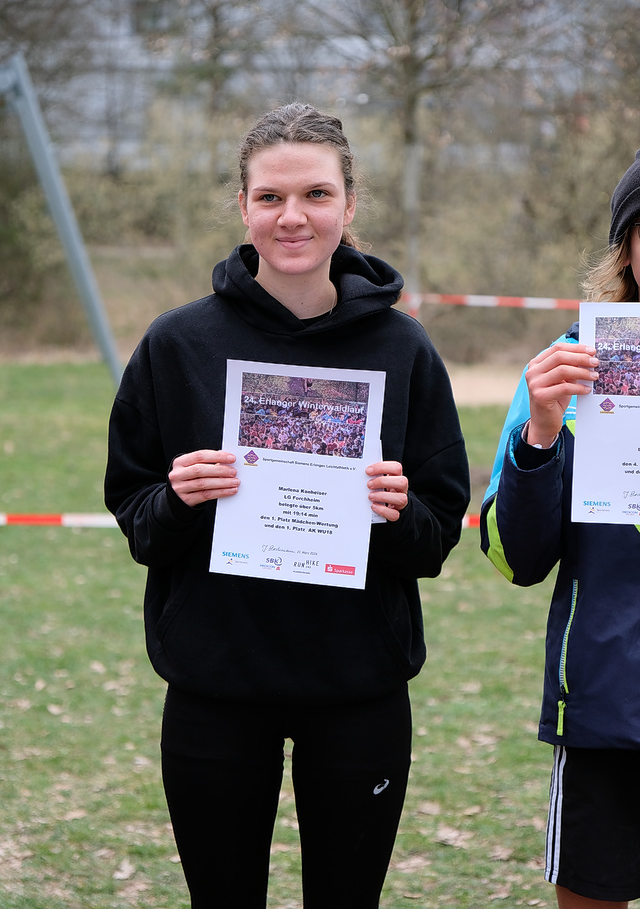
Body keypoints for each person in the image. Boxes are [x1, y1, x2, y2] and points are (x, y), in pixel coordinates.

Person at [104, 102, 470, 909]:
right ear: (243, 206)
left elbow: (436, 536)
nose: (292, 216)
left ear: (349, 204)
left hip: (358, 687)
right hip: (214, 682)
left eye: (315, 194)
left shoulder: (403, 348)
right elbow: (136, 517)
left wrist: (395, 511)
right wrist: (178, 499)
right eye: (270, 197)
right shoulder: (177, 344)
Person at [480, 150, 640, 909]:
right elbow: (515, 557)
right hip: (611, 706)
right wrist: (541, 434)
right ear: (626, 249)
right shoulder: (571, 369)